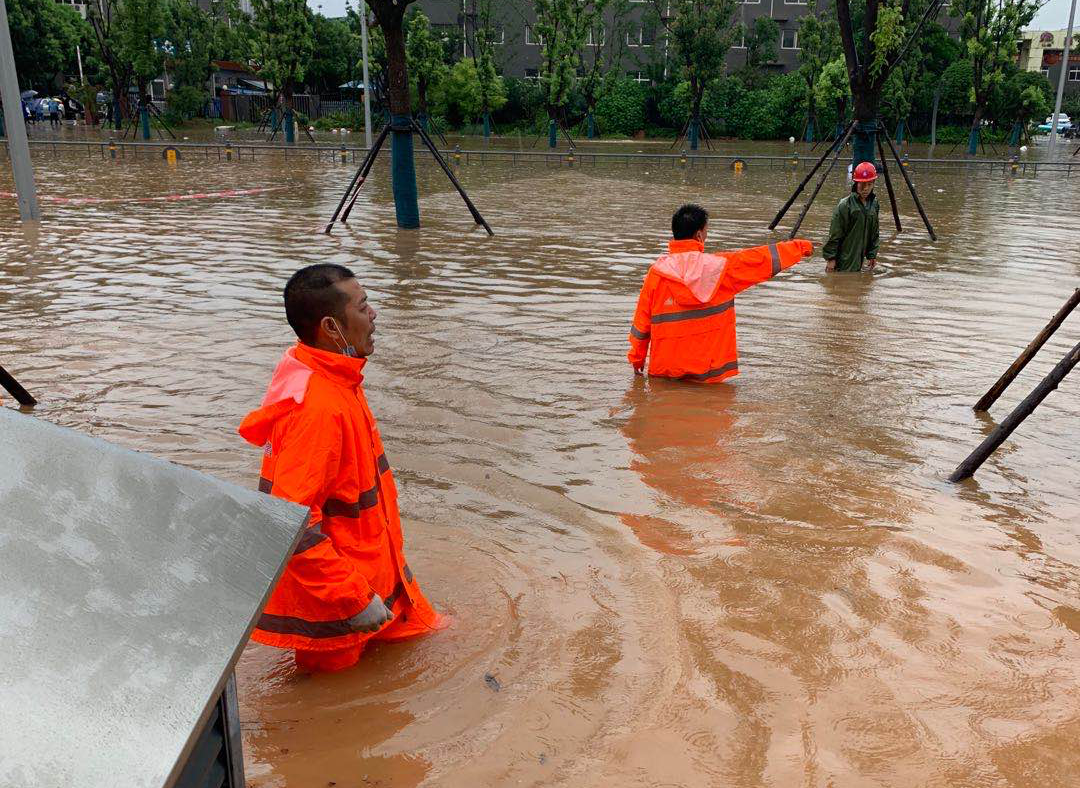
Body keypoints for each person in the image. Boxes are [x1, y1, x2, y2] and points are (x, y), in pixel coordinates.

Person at [238, 264, 443, 672]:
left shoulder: (336, 379)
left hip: (377, 583)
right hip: (343, 607)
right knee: (335, 698)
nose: (373, 314)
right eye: (363, 306)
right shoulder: (318, 408)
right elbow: (291, 523)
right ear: (331, 328)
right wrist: (355, 599)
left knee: (443, 644)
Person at [627, 204, 813, 383]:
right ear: (699, 235)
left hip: (665, 371)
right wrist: (799, 247)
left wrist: (637, 360)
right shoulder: (721, 267)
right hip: (707, 372)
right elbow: (760, 260)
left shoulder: (656, 273)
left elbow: (641, 325)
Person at [823, 162, 880, 272]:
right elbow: (835, 233)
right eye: (862, 184)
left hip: (860, 259)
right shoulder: (845, 205)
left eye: (869, 184)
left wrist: (872, 254)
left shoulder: (874, 204)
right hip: (844, 259)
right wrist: (831, 259)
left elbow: (874, 231)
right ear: (856, 183)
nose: (866, 189)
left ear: (873, 183)